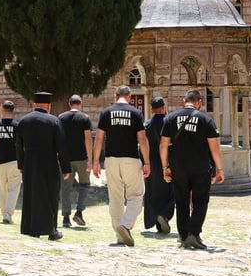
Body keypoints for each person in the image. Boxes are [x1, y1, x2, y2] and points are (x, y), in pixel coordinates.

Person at [160, 89, 224, 250]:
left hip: (178, 167)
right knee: (200, 201)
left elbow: (163, 145)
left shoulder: (170, 118)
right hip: (200, 167)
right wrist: (220, 169)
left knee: (181, 201)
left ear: (184, 101)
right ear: (199, 102)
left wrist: (165, 166)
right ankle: (193, 234)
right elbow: (215, 148)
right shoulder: (206, 120)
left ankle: (183, 236)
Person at [93, 85, 150, 247]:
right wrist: (147, 162)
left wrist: (96, 161)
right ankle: (125, 225)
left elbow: (99, 138)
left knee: (115, 198)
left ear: (115, 96)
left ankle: (119, 236)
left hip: (111, 159)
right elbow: (142, 139)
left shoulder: (106, 112)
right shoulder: (136, 113)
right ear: (130, 96)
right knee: (136, 194)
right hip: (131, 159)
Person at [17, 91, 71, 241]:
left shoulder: (24, 121)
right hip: (49, 163)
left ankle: (31, 228)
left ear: (34, 104)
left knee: (31, 194)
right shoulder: (53, 121)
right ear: (48, 105)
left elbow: (19, 146)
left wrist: (21, 164)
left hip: (30, 163)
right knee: (50, 195)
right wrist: (66, 167)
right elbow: (62, 146)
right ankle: (51, 230)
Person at [58, 94, 92, 228]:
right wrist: (90, 158)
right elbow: (88, 139)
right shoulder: (84, 118)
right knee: (85, 184)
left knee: (65, 187)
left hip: (66, 158)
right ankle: (79, 212)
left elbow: (58, 138)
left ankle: (66, 217)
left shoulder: (61, 118)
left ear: (69, 104)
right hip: (81, 157)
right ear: (80, 104)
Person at [143, 96, 175, 234]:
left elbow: (142, 145)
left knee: (153, 192)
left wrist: (144, 163)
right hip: (167, 162)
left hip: (151, 163)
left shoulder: (146, 125)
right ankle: (164, 215)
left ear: (152, 109)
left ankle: (158, 222)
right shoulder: (169, 123)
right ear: (163, 108)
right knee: (171, 192)